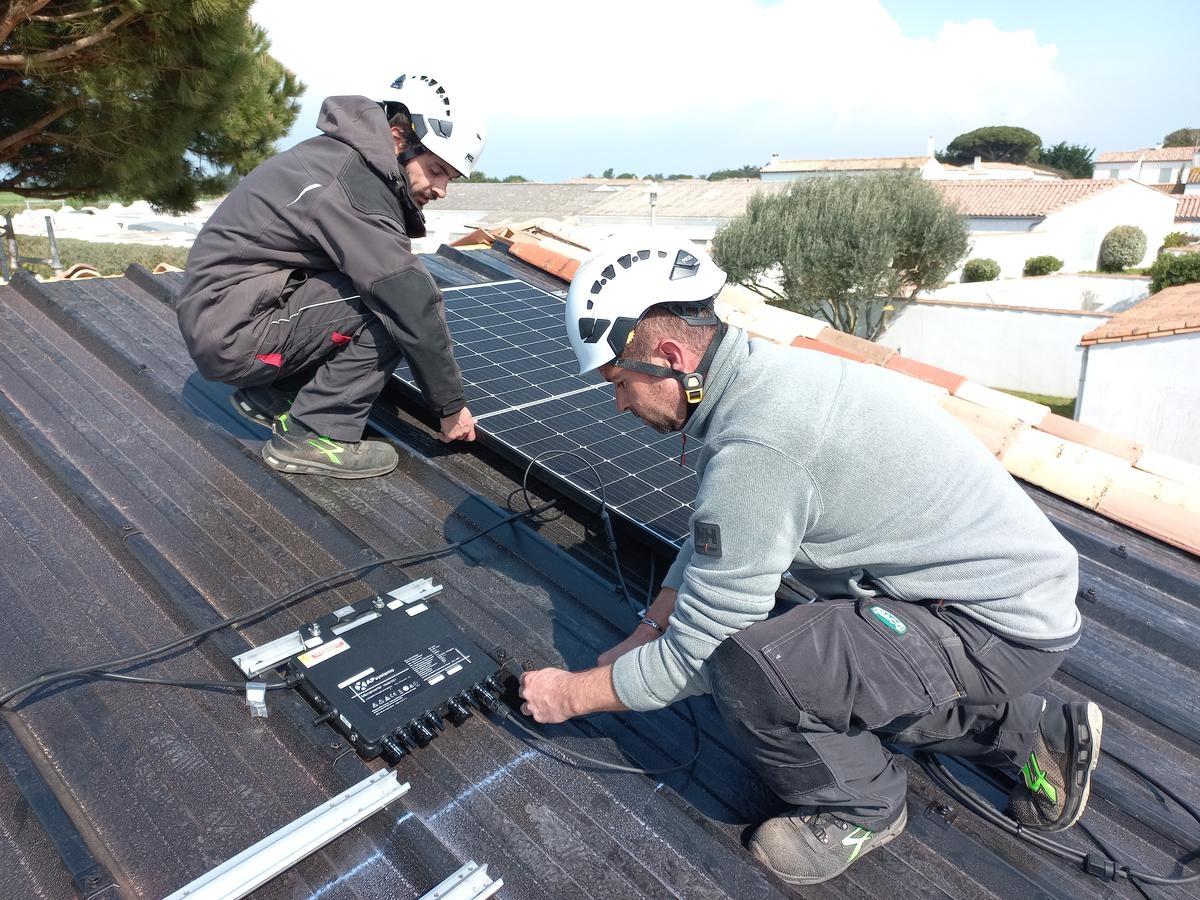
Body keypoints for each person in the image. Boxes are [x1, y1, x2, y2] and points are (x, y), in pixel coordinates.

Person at [519, 241, 1103, 886]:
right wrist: (647, 629)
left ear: (669, 358)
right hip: (999, 601)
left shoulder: (759, 445)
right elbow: (719, 538)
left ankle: (862, 807)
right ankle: (1036, 731)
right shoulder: (763, 378)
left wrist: (570, 695)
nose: (620, 406)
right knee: (830, 657)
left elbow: (702, 648)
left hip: (993, 626)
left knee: (756, 669)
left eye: (619, 384)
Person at [177, 74, 485, 478]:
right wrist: (449, 405)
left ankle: (274, 394)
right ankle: (314, 432)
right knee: (393, 303)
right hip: (235, 333)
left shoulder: (338, 159)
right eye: (436, 169)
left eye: (449, 178)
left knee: (373, 282)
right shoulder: (352, 185)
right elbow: (411, 298)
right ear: (397, 139)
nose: (442, 188)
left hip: (227, 316)